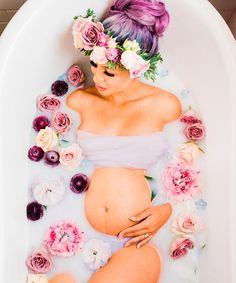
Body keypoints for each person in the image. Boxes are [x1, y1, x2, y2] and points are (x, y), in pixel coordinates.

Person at [67, 0, 182, 282]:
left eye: (109, 72)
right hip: (73, 238)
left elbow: (192, 170)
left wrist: (167, 211)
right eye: (94, 65)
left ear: (137, 68)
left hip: (137, 245)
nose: (97, 78)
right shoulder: (79, 101)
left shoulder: (166, 106)